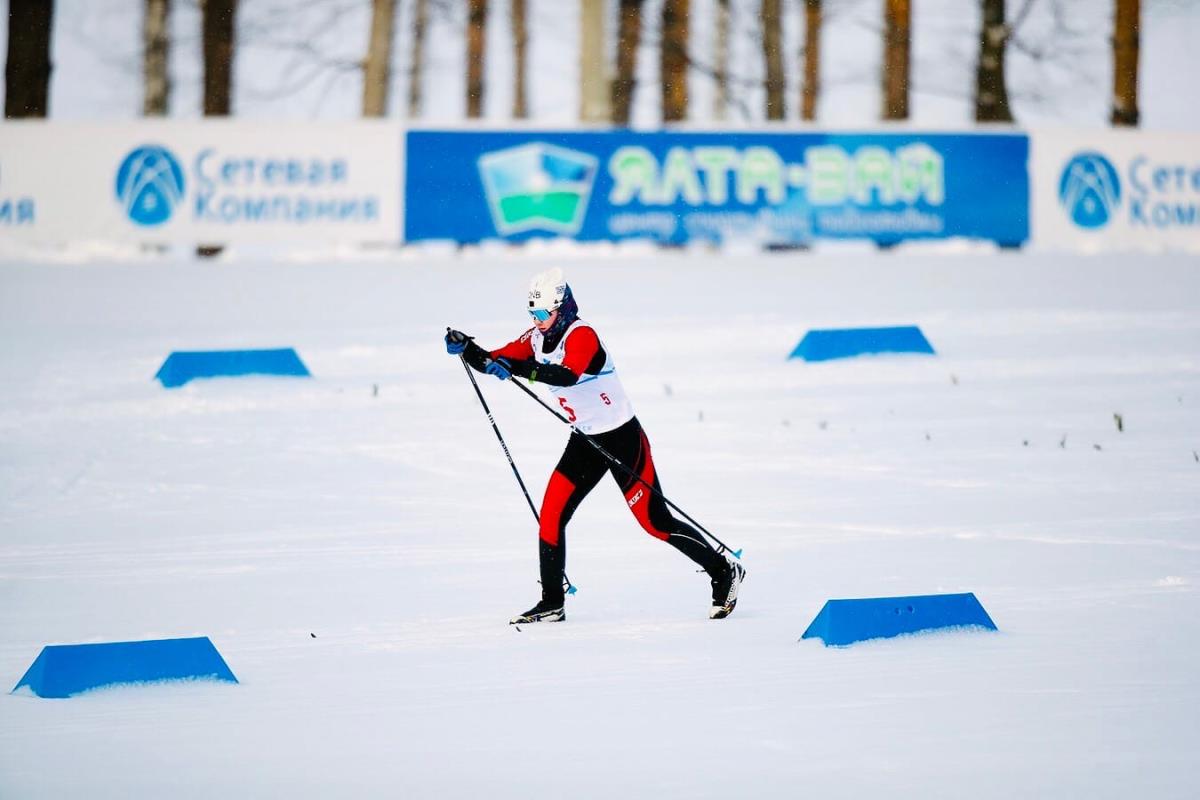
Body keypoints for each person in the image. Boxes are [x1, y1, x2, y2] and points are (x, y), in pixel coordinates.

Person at [445, 267, 745, 624]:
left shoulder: (582, 335)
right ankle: (552, 603)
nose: (539, 322)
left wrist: (518, 369)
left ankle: (724, 570)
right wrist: (468, 348)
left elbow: (567, 375)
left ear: (564, 307)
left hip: (622, 439)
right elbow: (494, 359)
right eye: (534, 315)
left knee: (655, 523)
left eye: (544, 314)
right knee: (551, 517)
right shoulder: (536, 339)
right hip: (585, 440)